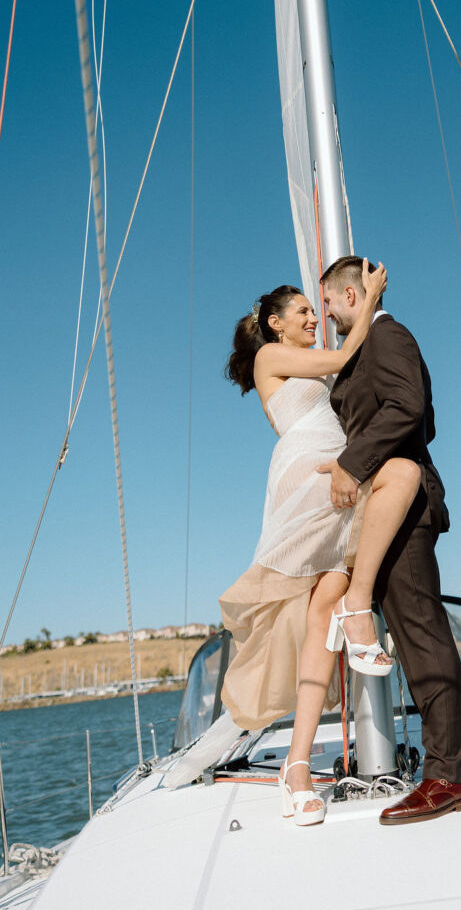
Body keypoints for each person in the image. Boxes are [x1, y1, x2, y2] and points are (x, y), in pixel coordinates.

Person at [164, 260, 421, 825]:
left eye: (315, 308)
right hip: (307, 474)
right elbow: (338, 358)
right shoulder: (270, 357)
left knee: (320, 612)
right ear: (275, 323)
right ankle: (356, 621)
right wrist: (369, 299)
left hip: (340, 467)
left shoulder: (302, 360)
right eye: (304, 310)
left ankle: (297, 764)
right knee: (392, 488)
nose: (313, 317)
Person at [320, 255, 461, 825]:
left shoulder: (388, 335)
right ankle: (459, 764)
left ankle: (448, 776)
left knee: (420, 634)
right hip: (385, 504)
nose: (327, 313)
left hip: (404, 507)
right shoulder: (367, 346)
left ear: (351, 295)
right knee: (417, 635)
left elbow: (412, 410)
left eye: (330, 302)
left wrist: (354, 461)